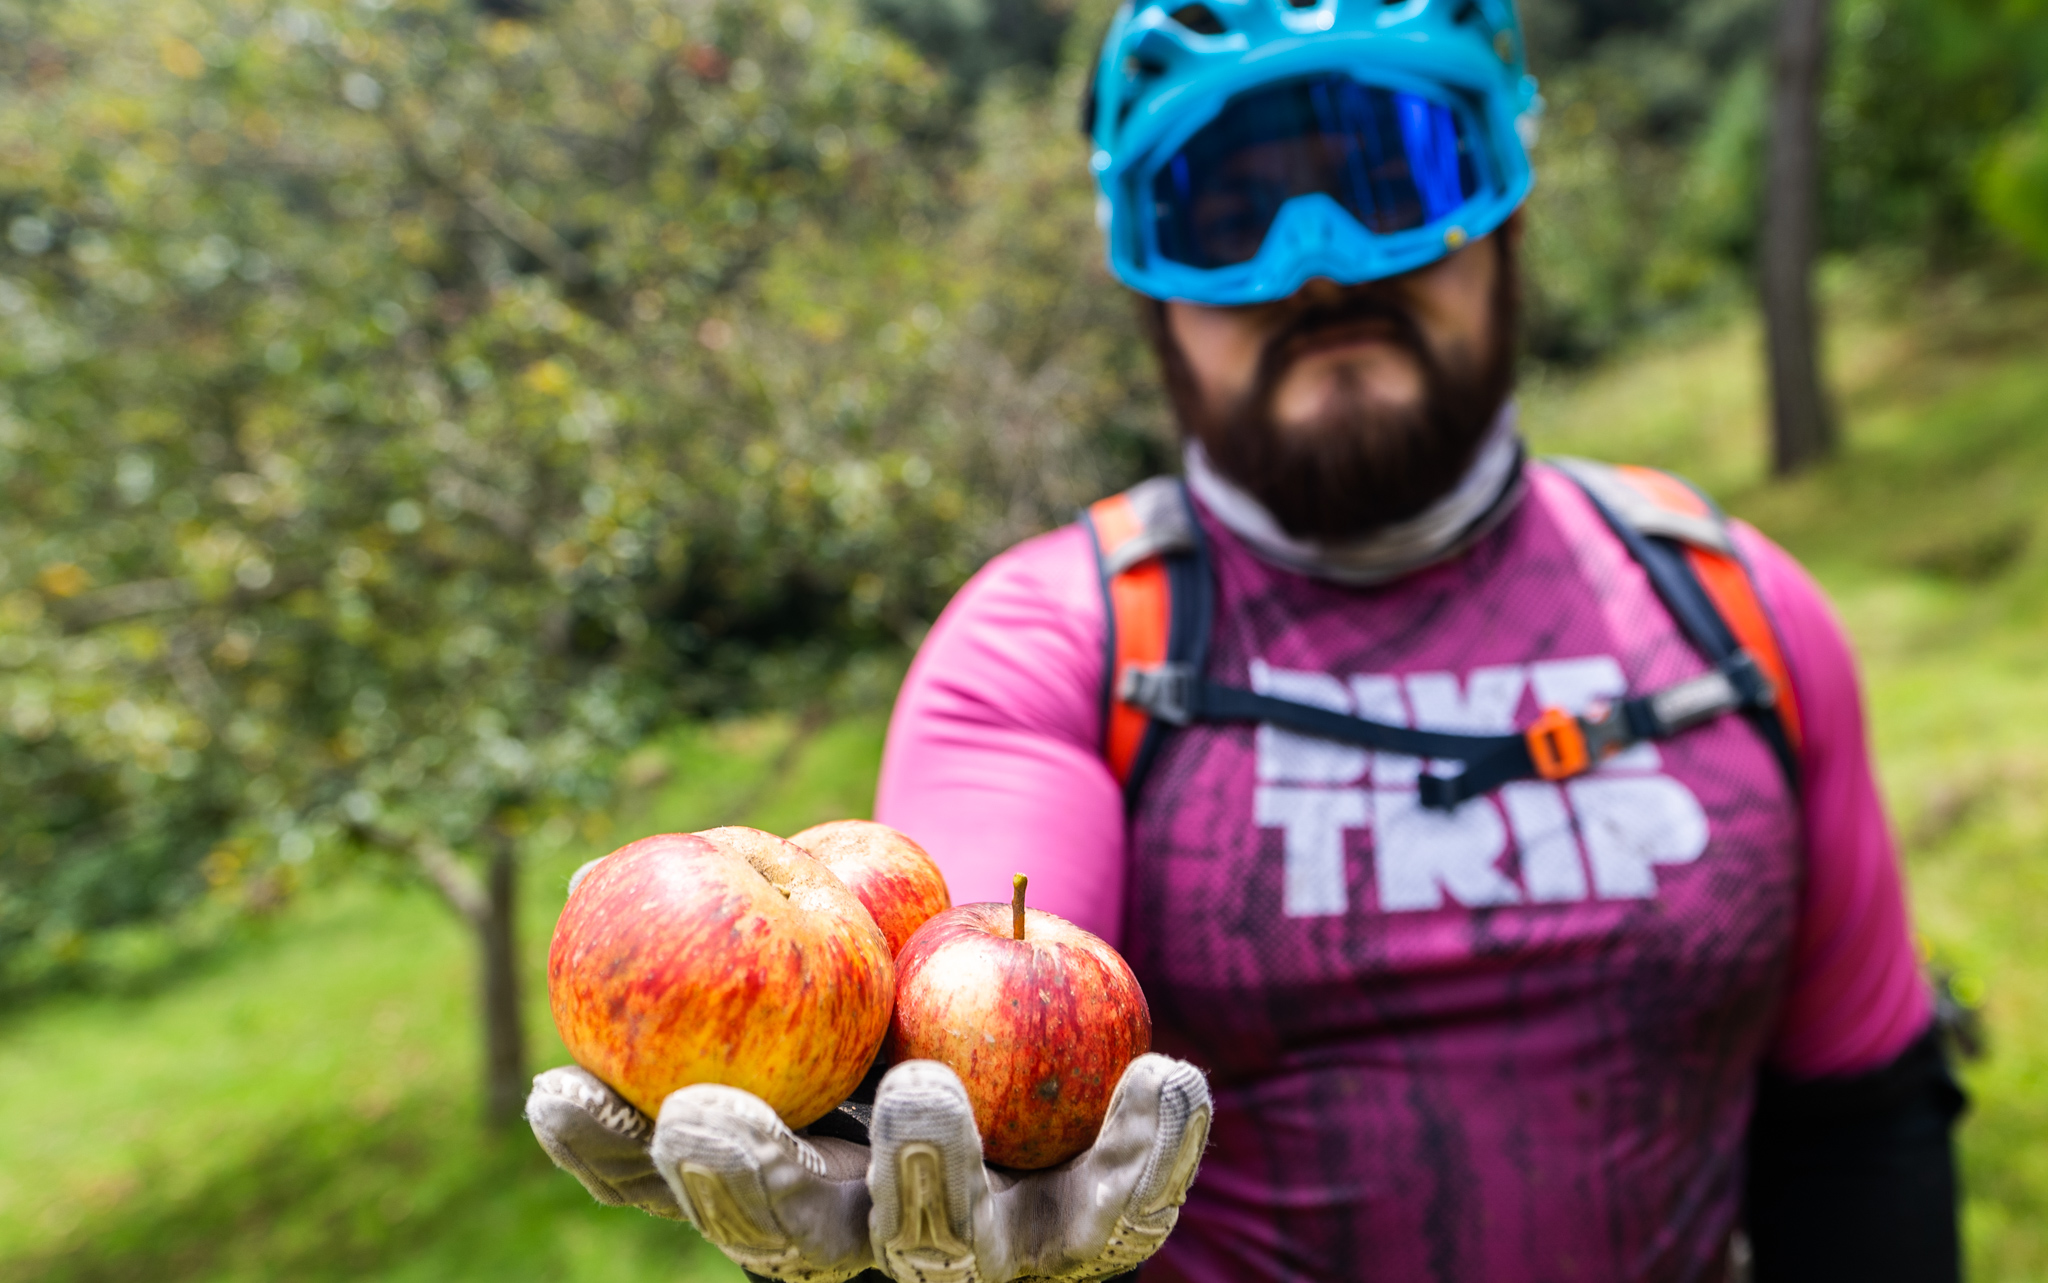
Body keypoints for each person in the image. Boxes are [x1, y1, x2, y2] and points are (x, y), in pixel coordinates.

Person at [528, 2, 1965, 1280]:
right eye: (1230, 205)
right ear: (1149, 278)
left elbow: (1863, 1118)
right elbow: (964, 987)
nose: (1320, 266)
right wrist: (920, 1137)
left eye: (1396, 167)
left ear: (1509, 204)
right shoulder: (1048, 645)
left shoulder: (1729, 607)